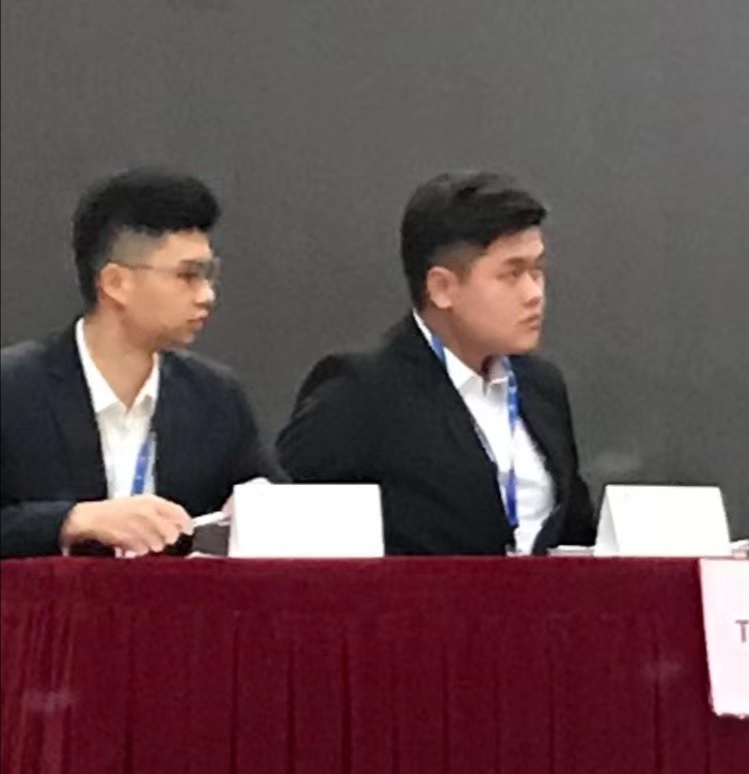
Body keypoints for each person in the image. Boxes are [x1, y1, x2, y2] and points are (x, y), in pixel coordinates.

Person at [278, 170, 595, 555]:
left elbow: (577, 530)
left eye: (537, 271)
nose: (534, 294)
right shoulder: (360, 391)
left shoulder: (541, 386)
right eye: (512, 274)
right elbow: (287, 531)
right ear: (442, 288)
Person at [0, 169, 280, 559]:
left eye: (209, 275)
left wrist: (260, 507)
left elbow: (268, 492)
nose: (207, 295)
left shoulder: (214, 396)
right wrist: (70, 521)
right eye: (187, 276)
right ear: (116, 282)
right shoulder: (14, 389)